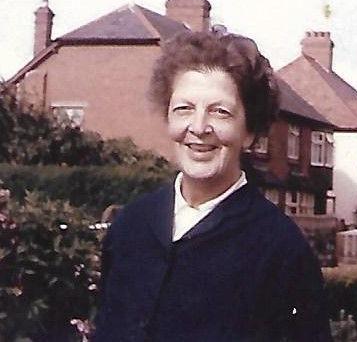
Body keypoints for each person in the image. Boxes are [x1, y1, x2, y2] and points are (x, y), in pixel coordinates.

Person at [93, 30, 333, 341]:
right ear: (168, 119)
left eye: (220, 112)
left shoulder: (281, 249)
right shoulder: (130, 226)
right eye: (184, 109)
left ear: (249, 131)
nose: (199, 127)